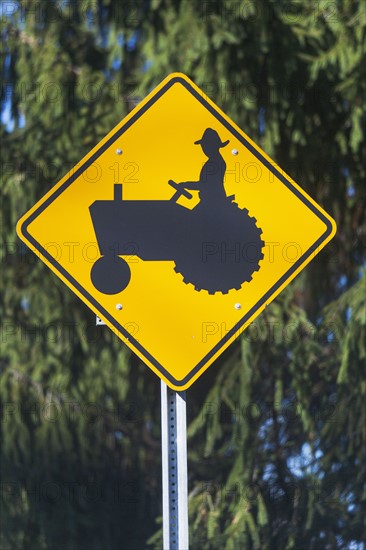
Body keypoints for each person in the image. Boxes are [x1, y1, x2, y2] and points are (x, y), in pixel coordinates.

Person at [169, 128, 229, 206]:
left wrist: (185, 185)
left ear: (212, 145)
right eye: (203, 146)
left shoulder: (215, 163)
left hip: (212, 203)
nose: (203, 148)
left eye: (205, 145)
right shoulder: (215, 161)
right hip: (210, 201)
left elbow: (206, 185)